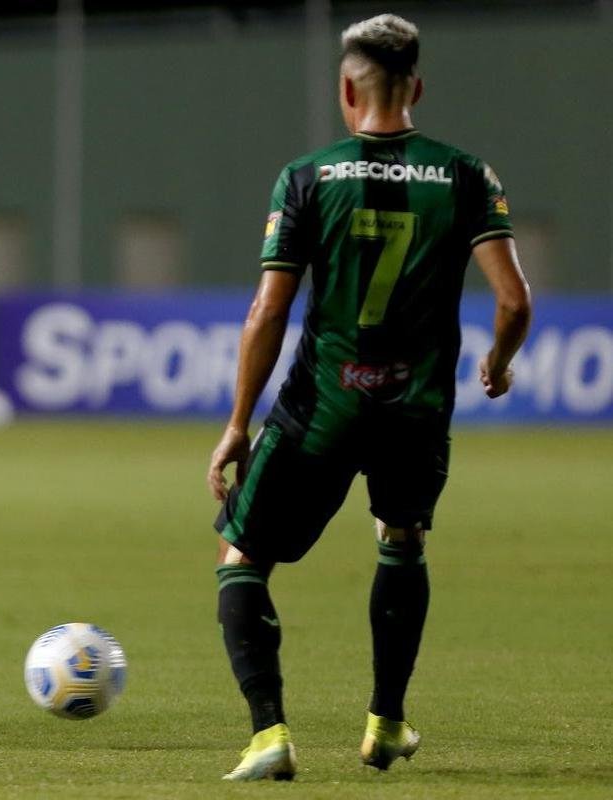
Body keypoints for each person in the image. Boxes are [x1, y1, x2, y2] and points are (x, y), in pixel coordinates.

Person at [206, 14, 532, 781]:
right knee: (402, 539)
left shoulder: (308, 176)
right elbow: (514, 301)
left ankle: (269, 734)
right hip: (416, 413)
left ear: (347, 89)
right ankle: (385, 724)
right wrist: (500, 361)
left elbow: (268, 312)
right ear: (415, 87)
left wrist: (237, 423)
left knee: (242, 556)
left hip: (323, 405)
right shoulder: (465, 175)